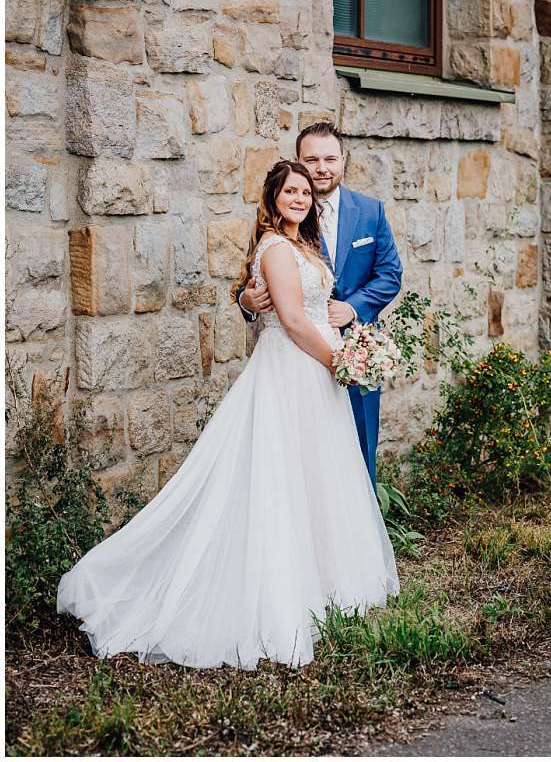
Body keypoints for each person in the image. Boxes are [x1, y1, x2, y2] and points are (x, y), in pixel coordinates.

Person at [58, 161, 400, 670]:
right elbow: (289, 319)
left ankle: (326, 579)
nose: (300, 198)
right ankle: (276, 589)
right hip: (295, 368)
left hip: (315, 375)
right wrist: (339, 361)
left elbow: (319, 301)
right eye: (291, 191)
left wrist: (342, 355)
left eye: (306, 192)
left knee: (316, 474)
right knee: (279, 476)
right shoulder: (277, 248)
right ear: (273, 197)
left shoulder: (305, 245)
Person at [238, 122, 402, 490]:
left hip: (356, 353)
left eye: (330, 158)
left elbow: (390, 274)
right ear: (297, 162)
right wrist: (246, 301)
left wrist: (354, 308)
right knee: (300, 457)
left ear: (343, 160)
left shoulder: (370, 212)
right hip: (298, 362)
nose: (322, 167)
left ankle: (357, 539)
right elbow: (252, 278)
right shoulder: (284, 221)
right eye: (312, 159)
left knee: (357, 448)